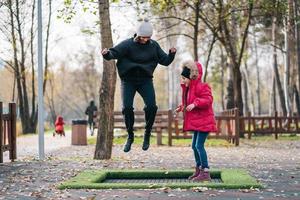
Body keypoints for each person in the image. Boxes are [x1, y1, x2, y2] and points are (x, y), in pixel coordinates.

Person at [101, 18, 176, 152]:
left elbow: (165, 61)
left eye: (148, 38)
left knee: (152, 106)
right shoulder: (127, 45)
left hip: (145, 80)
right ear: (137, 35)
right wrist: (107, 54)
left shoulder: (153, 46)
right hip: (128, 80)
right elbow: (113, 53)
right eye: (143, 37)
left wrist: (171, 54)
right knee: (127, 107)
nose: (145, 40)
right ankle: (130, 136)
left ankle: (147, 134)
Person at [175, 61, 217, 181]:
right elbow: (188, 103)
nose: (182, 81)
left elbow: (208, 99)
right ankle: (199, 169)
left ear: (192, 76)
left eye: (184, 78)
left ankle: (205, 171)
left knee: (199, 145)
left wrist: (195, 103)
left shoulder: (202, 86)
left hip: (205, 122)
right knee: (194, 146)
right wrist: (181, 107)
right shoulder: (188, 89)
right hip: (198, 123)